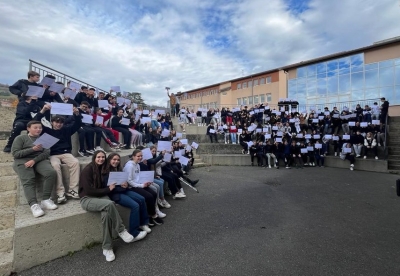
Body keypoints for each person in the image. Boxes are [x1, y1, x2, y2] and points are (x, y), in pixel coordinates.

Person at [79, 150, 135, 262]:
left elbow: (111, 183)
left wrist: (122, 184)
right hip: (88, 198)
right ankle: (121, 230)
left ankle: (107, 248)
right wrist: (107, 189)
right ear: (94, 158)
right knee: (110, 204)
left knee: (106, 215)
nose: (101, 159)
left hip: (101, 196)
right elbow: (89, 190)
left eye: (103, 157)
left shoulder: (103, 169)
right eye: (98, 157)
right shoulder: (88, 170)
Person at [35, 104, 82, 204]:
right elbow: (36, 121)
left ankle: (73, 189)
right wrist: (43, 110)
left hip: (66, 153)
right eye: (57, 122)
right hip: (53, 154)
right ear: (52, 122)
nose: (59, 124)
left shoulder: (67, 130)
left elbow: (77, 124)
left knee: (75, 162)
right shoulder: (47, 131)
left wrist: (77, 114)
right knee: (55, 166)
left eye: (61, 122)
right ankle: (60, 192)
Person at [11, 121, 58, 218]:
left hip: (38, 159)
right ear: (28, 128)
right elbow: (15, 154)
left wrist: (34, 160)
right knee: (29, 178)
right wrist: (32, 149)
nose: (38, 130)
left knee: (51, 172)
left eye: (40, 128)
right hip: (22, 160)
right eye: (35, 127)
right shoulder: (20, 138)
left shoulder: (44, 139)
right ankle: (34, 205)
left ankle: (45, 199)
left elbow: (46, 153)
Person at [102, 153, 149, 238]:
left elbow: (123, 182)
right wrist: (122, 187)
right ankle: (134, 232)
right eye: (114, 159)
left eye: (118, 160)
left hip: (123, 190)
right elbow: (109, 188)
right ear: (109, 160)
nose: (116, 161)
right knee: (135, 205)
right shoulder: (105, 172)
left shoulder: (118, 169)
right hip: (115, 194)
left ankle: (143, 223)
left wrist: (125, 185)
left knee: (141, 199)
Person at [123, 149, 164, 226]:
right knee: (148, 196)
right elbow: (129, 181)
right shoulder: (129, 166)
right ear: (133, 156)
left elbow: (138, 177)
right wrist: (141, 185)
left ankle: (151, 214)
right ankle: (153, 216)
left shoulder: (137, 164)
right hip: (132, 187)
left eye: (141, 156)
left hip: (138, 184)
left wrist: (146, 182)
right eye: (138, 156)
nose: (140, 158)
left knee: (154, 193)